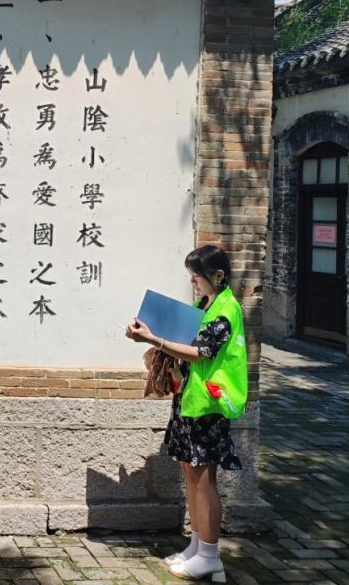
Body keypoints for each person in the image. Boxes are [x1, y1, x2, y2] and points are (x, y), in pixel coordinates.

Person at [126, 245, 248, 583]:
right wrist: (150, 333)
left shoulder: (225, 310)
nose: (193, 281)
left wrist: (153, 339)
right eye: (191, 275)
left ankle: (209, 555)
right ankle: (196, 547)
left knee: (203, 480)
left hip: (207, 406)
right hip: (189, 401)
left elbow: (199, 352)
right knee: (191, 476)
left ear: (218, 276)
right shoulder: (203, 306)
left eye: (197, 275)